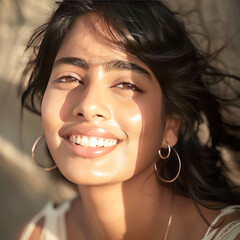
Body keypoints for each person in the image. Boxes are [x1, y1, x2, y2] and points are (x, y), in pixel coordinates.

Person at [17, 0, 240, 239]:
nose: (89, 106)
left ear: (170, 125)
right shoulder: (37, 233)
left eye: (126, 84)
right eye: (69, 78)